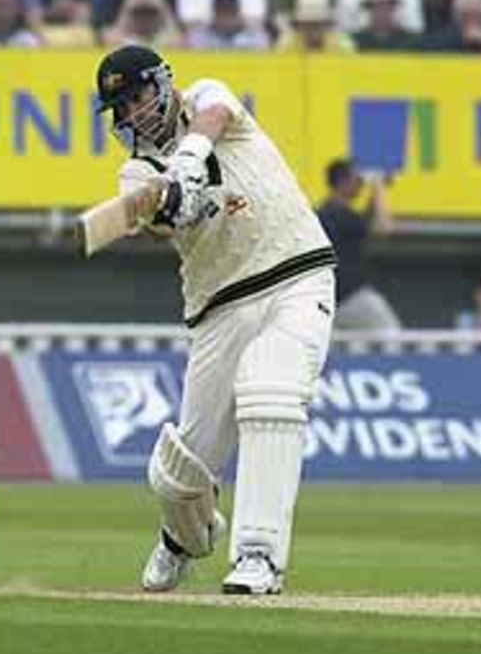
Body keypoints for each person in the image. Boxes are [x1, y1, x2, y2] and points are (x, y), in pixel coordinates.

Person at [94, 44, 337, 595]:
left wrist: (187, 164)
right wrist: (169, 202)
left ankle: (258, 557)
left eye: (137, 97)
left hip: (298, 274)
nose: (131, 114)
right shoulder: (135, 172)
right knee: (182, 475)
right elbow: (153, 219)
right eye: (120, 108)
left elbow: (215, 115)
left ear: (162, 83)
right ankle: (180, 539)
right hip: (219, 307)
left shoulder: (207, 96)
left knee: (271, 395)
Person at [316, 158, 401, 332]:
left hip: (328, 301)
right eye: (357, 178)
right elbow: (384, 227)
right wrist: (378, 186)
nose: (361, 183)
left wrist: (376, 190)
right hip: (352, 297)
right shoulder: (341, 215)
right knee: (394, 342)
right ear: (342, 181)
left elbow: (364, 223)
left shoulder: (324, 213)